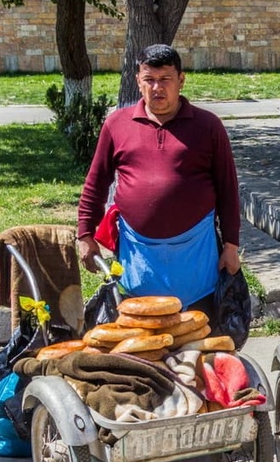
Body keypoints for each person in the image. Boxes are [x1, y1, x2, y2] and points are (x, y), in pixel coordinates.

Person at [77, 44, 242, 326]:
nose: (157, 88)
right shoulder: (117, 125)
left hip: (197, 257)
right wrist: (85, 235)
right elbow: (96, 183)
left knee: (198, 345)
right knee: (142, 343)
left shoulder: (208, 126)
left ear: (181, 80)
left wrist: (231, 245)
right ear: (138, 81)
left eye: (165, 79)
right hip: (137, 259)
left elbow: (228, 188)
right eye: (149, 79)